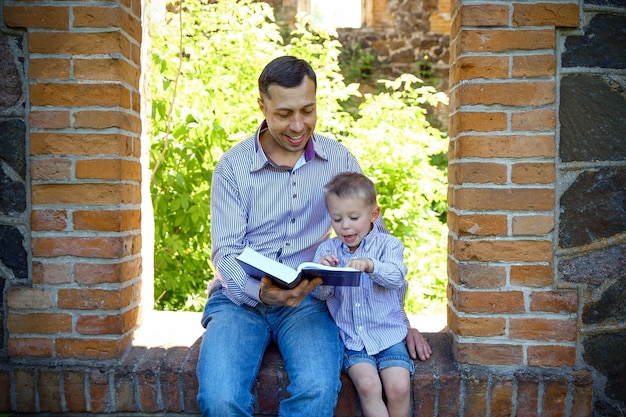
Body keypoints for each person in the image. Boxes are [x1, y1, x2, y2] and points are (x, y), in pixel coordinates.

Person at [196, 55, 431, 417]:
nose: (297, 125)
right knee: (220, 399)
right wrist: (261, 291)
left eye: (307, 110)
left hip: (307, 300)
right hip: (239, 299)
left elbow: (375, 240)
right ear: (262, 107)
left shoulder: (338, 159)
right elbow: (225, 252)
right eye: (284, 114)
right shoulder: (232, 167)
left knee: (319, 390)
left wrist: (397, 321)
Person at [313, 172, 415, 417]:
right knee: (368, 386)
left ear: (373, 215)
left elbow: (396, 277)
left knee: (399, 386)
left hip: (388, 336)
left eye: (353, 217)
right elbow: (319, 294)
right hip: (352, 341)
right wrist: (324, 272)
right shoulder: (327, 250)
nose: (345, 225)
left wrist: (371, 265)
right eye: (337, 219)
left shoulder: (388, 245)